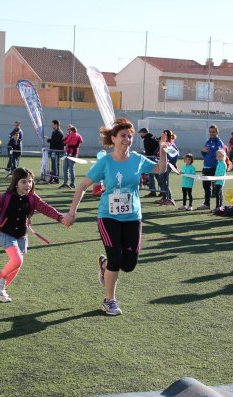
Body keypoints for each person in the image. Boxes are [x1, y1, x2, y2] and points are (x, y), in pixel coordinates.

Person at [63, 118, 168, 316]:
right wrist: (71, 213)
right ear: (113, 138)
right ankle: (109, 300)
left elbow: (160, 169)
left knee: (128, 265)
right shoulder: (105, 162)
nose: (127, 139)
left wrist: (162, 149)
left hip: (132, 216)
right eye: (123, 136)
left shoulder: (137, 159)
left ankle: (104, 266)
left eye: (130, 136)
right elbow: (83, 186)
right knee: (115, 258)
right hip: (108, 216)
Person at [0, 167, 67, 303]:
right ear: (16, 183)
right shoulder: (6, 197)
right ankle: (0, 279)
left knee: (17, 265)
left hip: (21, 235)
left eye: (30, 181)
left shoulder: (33, 198)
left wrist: (60, 217)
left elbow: (46, 208)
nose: (28, 185)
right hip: (5, 233)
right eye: (24, 182)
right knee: (17, 260)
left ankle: (0, 290)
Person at [197, 125, 224, 210]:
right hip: (206, 167)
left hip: (214, 167)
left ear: (217, 132)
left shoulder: (219, 142)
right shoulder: (208, 141)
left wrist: (210, 151)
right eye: (210, 132)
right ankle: (206, 204)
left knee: (217, 187)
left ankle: (219, 206)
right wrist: (203, 151)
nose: (212, 133)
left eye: (213, 132)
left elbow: (219, 153)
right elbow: (204, 153)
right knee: (206, 186)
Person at [156, 129, 178, 206]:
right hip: (165, 164)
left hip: (168, 165)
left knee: (164, 181)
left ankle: (169, 198)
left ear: (166, 135)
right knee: (162, 180)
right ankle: (165, 197)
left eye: (163, 134)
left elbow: (175, 155)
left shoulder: (168, 144)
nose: (161, 136)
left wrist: (172, 163)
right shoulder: (165, 143)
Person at [138, 128, 160, 197]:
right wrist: (155, 153)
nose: (140, 135)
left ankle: (153, 192)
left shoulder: (146, 139)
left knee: (150, 175)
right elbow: (158, 146)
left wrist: (147, 153)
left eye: (141, 133)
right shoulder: (153, 137)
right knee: (157, 175)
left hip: (151, 158)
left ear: (144, 133)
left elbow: (148, 151)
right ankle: (164, 190)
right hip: (156, 158)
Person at [46, 120, 64, 184]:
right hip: (53, 151)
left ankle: (56, 179)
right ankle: (53, 178)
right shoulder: (54, 132)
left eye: (53, 124)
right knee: (53, 166)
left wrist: (48, 139)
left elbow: (54, 141)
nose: (52, 125)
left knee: (56, 165)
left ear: (56, 125)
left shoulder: (59, 132)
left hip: (56, 152)